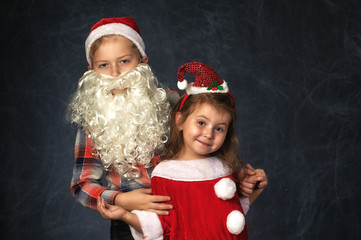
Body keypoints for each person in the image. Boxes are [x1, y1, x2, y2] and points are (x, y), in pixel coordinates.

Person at [97, 62, 268, 240]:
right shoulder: (167, 174)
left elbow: (233, 216)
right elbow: (161, 224)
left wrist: (254, 187)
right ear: (180, 121)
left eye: (219, 128)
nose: (208, 134)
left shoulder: (223, 168)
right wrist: (125, 216)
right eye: (201, 123)